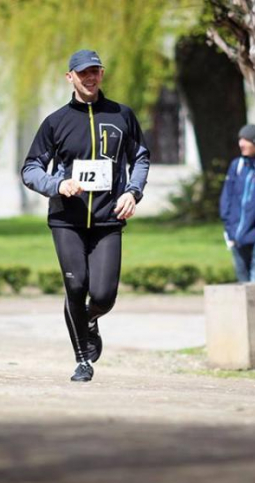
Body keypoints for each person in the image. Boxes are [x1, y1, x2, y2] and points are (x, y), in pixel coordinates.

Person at [21, 50, 150, 382]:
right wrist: (57, 183)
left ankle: (88, 318)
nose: (90, 78)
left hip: (108, 219)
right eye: (83, 73)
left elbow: (141, 157)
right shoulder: (56, 122)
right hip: (68, 221)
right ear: (70, 78)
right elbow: (30, 168)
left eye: (95, 72)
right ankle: (82, 360)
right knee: (76, 286)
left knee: (104, 296)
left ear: (102, 74)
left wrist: (132, 192)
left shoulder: (122, 115)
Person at [220, 124, 255, 282]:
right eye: (240, 139)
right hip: (236, 235)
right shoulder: (237, 165)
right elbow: (227, 197)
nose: (241, 144)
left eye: (246, 140)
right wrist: (229, 227)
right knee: (243, 283)